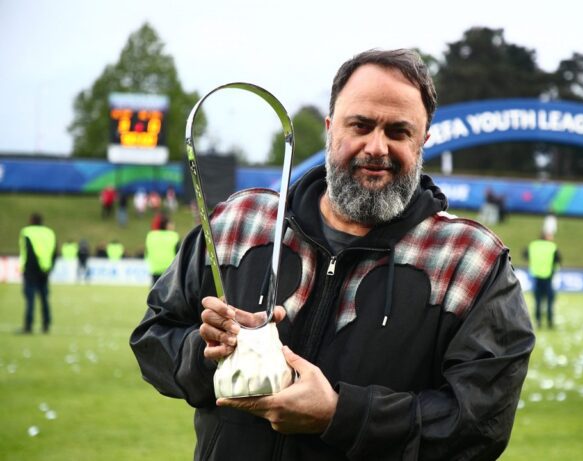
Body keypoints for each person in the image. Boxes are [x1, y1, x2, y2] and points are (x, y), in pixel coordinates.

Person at [130, 49, 534, 460]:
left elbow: (480, 423)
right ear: (330, 127)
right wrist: (206, 356)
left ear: (423, 141)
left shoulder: (472, 262)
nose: (376, 147)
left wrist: (340, 415)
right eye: (360, 125)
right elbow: (153, 339)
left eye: (398, 132)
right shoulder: (239, 222)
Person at [18, 213, 56, 334]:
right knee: (44, 298)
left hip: (31, 270)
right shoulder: (49, 232)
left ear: (31, 220)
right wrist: (50, 267)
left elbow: (27, 252)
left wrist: (25, 268)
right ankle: (46, 324)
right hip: (45, 270)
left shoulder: (27, 232)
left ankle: (28, 325)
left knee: (30, 299)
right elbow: (54, 251)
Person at [525, 231, 561, 329]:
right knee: (550, 300)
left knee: (538, 301)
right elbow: (558, 260)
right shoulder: (552, 246)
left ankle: (538, 321)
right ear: (546, 237)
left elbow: (525, 254)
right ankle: (550, 322)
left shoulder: (533, 245)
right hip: (548, 277)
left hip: (536, 276)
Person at [144, 216, 180, 284]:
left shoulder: (150, 236)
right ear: (166, 225)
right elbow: (178, 253)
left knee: (156, 288)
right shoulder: (174, 236)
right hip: (170, 269)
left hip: (155, 268)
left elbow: (147, 252)